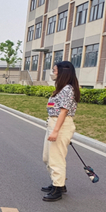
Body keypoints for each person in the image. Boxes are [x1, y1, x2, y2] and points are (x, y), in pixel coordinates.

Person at [41, 61, 80, 202]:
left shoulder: (68, 89)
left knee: (56, 158)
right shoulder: (61, 88)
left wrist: (56, 131)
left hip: (60, 124)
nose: (53, 73)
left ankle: (58, 188)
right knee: (47, 157)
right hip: (54, 122)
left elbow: (63, 111)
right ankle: (57, 182)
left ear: (63, 72)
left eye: (55, 70)